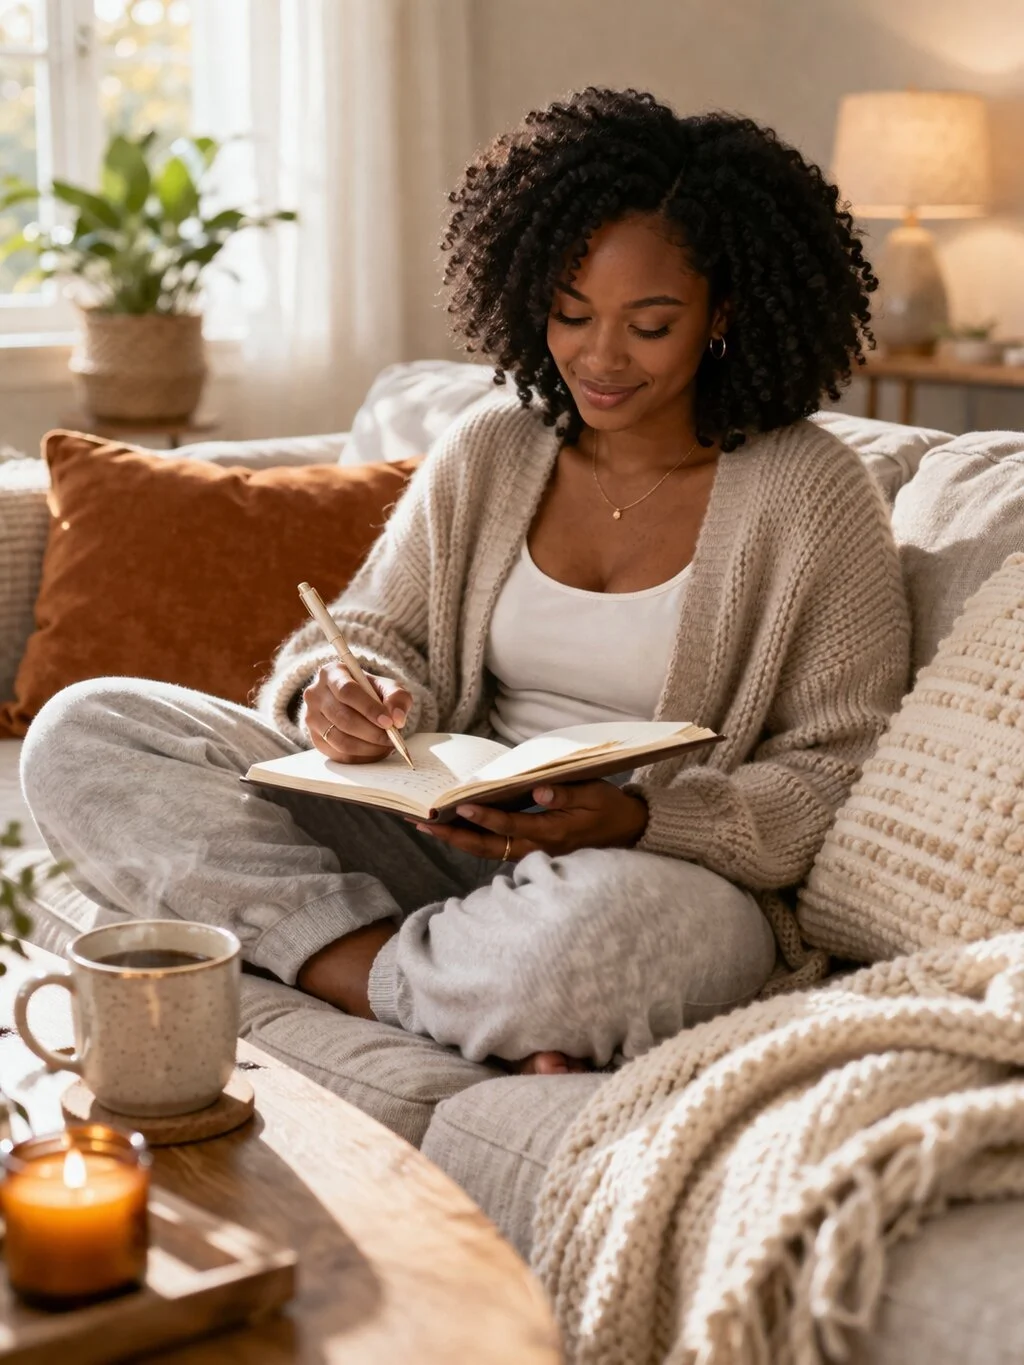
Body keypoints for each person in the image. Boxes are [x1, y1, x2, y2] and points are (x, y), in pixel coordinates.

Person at [21, 88, 910, 1077]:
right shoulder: (492, 446)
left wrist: (646, 817)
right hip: (433, 837)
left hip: (638, 878)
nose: (598, 358)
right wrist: (343, 693)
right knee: (87, 728)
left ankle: (372, 966)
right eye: (570, 315)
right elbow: (371, 630)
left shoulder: (811, 491)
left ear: (723, 314)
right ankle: (404, 980)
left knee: (648, 937)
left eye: (648, 326)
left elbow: (835, 768)